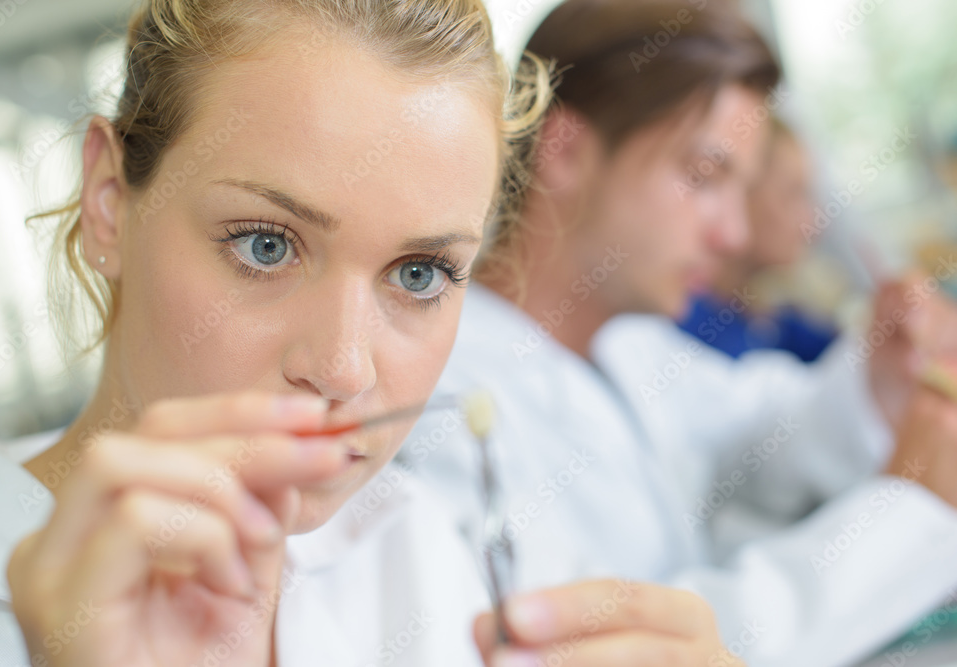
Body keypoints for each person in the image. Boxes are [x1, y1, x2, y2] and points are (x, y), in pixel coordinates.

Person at [0, 1, 745, 666]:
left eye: (419, 274)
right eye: (264, 243)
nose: (341, 368)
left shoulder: (414, 547)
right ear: (107, 201)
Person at [401, 1, 957, 666]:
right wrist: (910, 511)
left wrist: (882, 380)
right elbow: (597, 645)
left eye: (739, 189)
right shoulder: (436, 398)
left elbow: (763, 426)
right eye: (703, 175)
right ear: (569, 149)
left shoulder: (634, 349)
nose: (733, 233)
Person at [678, 118, 840, 362]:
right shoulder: (685, 325)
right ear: (738, 193)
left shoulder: (768, 322)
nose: (813, 223)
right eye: (792, 194)